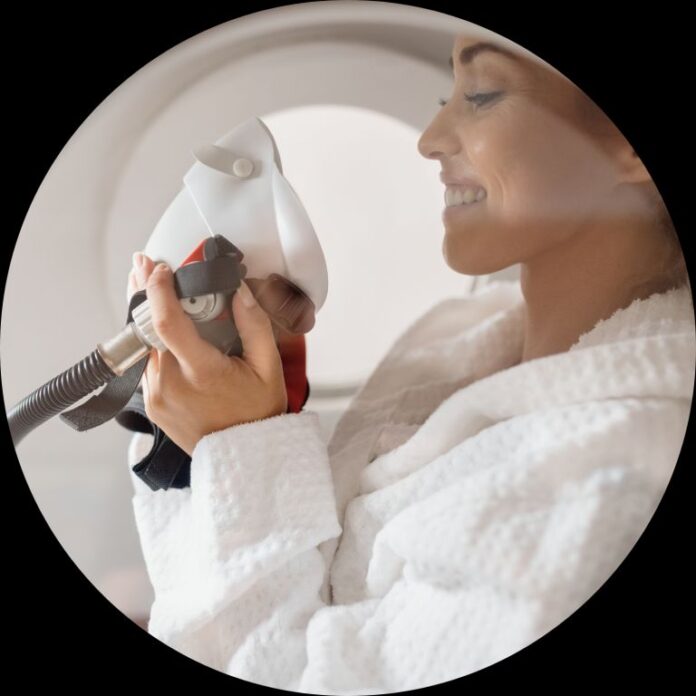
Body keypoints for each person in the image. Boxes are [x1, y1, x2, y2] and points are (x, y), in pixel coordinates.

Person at [124, 34, 695, 693]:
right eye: (445, 96)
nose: (429, 139)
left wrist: (241, 448)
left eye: (483, 95)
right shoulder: (468, 351)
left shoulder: (607, 492)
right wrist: (246, 416)